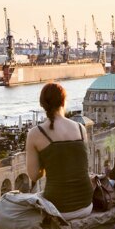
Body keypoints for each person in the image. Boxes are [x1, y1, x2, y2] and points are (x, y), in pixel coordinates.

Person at [26, 82, 94, 220]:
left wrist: (47, 161)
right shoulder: (80, 128)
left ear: (42, 105)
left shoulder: (35, 133)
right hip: (86, 204)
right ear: (64, 101)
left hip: (58, 208)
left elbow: (34, 176)